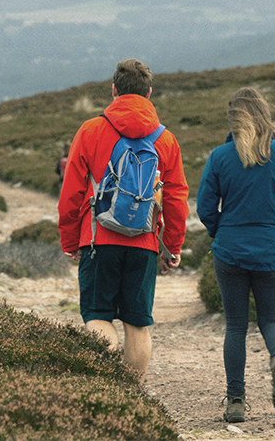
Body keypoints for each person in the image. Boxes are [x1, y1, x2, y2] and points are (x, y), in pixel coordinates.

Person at [57, 58, 189, 382]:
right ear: (149, 93)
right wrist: (172, 246)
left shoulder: (90, 130)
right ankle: (133, 397)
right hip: (144, 243)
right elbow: (176, 199)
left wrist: (69, 240)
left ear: (114, 90)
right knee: (138, 323)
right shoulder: (166, 140)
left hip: (97, 240)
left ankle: (107, 386)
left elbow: (71, 192)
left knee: (98, 317)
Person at [197, 87, 275, 423]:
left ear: (233, 121)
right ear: (264, 115)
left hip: (230, 250)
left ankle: (235, 400)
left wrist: (221, 230)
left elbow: (204, 208)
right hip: (273, 248)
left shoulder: (219, 157)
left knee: (235, 327)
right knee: (271, 321)